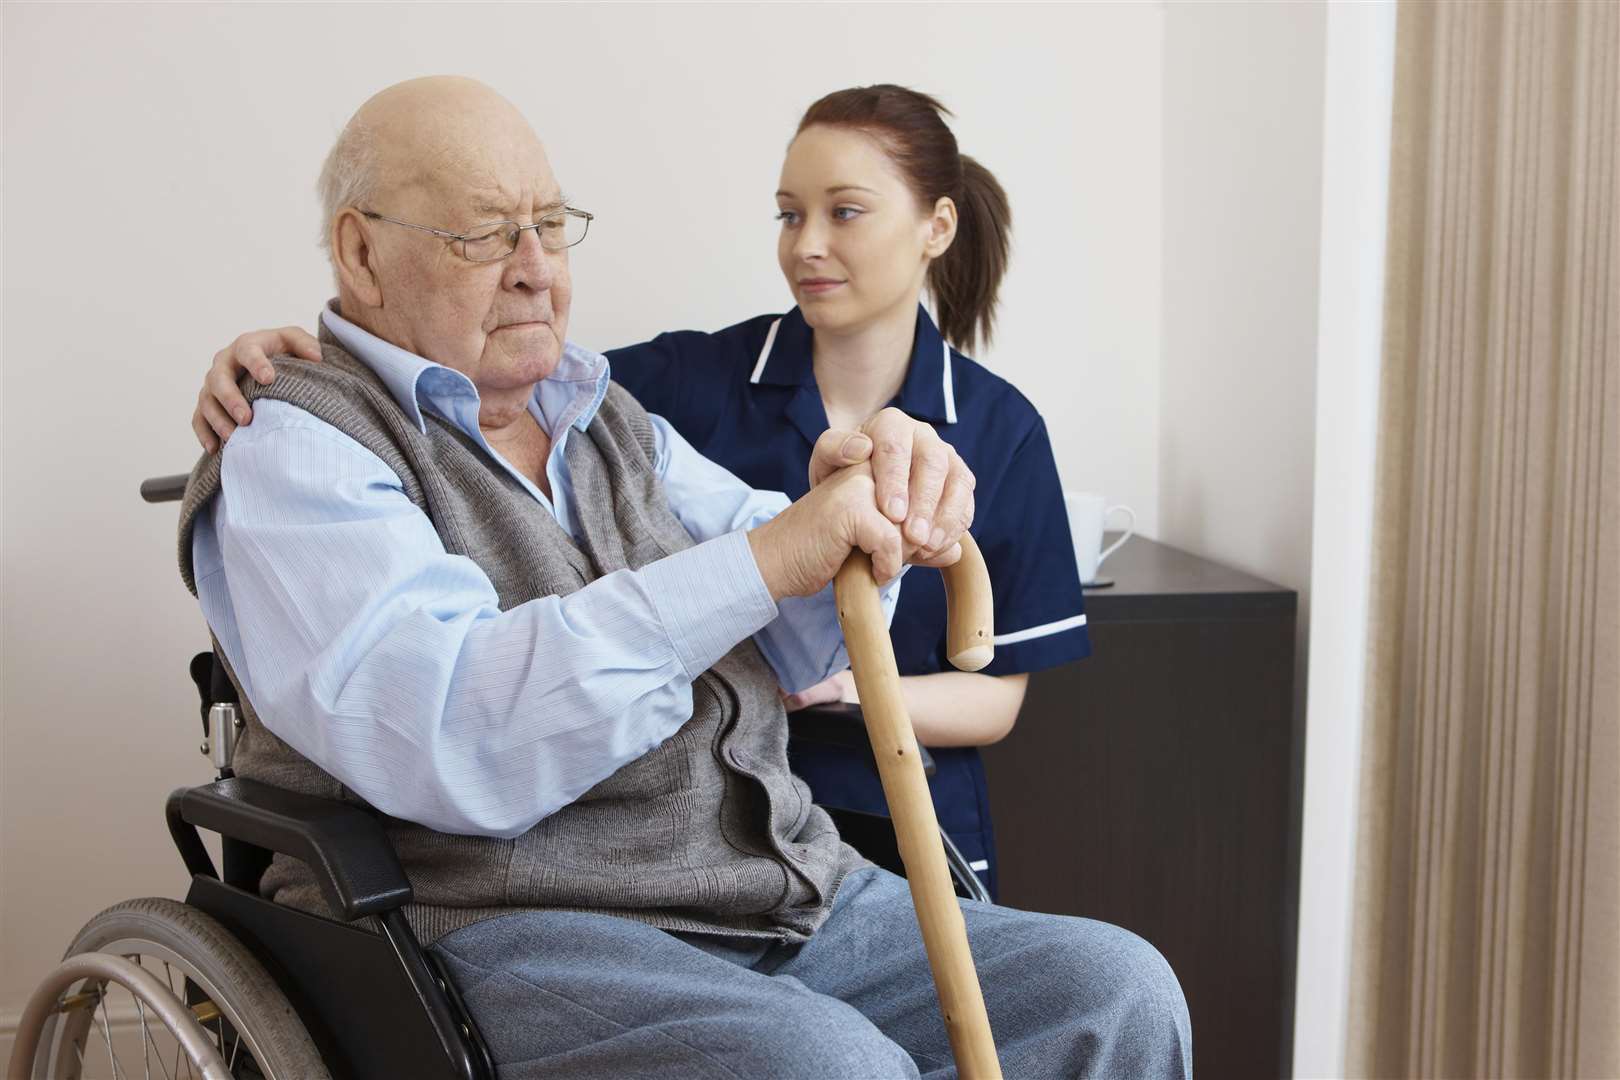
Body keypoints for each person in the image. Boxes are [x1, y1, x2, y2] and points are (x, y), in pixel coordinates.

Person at [181, 74, 1191, 1079]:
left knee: (1115, 992)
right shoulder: (301, 445)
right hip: (504, 922)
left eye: (551, 226)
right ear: (362, 252)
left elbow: (801, 627)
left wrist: (859, 512)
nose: (536, 270)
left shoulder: (609, 415)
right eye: (487, 234)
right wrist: (773, 554)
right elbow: (457, 732)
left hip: (769, 885)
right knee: (827, 1069)